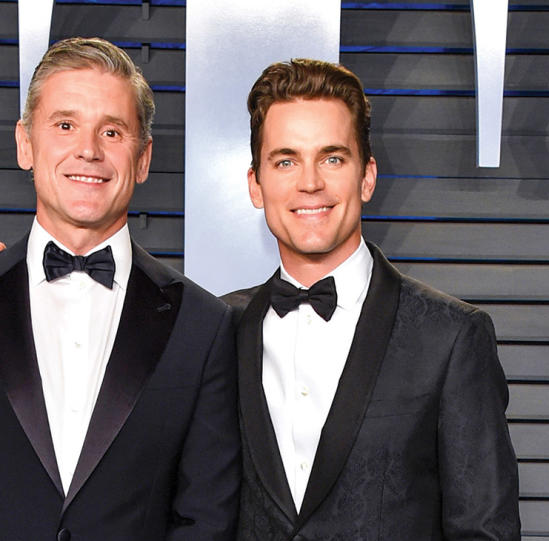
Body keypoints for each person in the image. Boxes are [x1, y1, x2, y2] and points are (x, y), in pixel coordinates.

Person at [0, 37, 240, 541]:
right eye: (65, 125)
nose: (88, 150)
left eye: (113, 131)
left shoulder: (203, 326)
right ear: (25, 144)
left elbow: (205, 519)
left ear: (143, 159)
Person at [222, 58, 520, 539]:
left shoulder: (450, 337)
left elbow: (485, 532)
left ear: (367, 177)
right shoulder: (217, 330)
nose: (310, 182)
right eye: (286, 160)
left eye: (332, 158)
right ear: (256, 184)